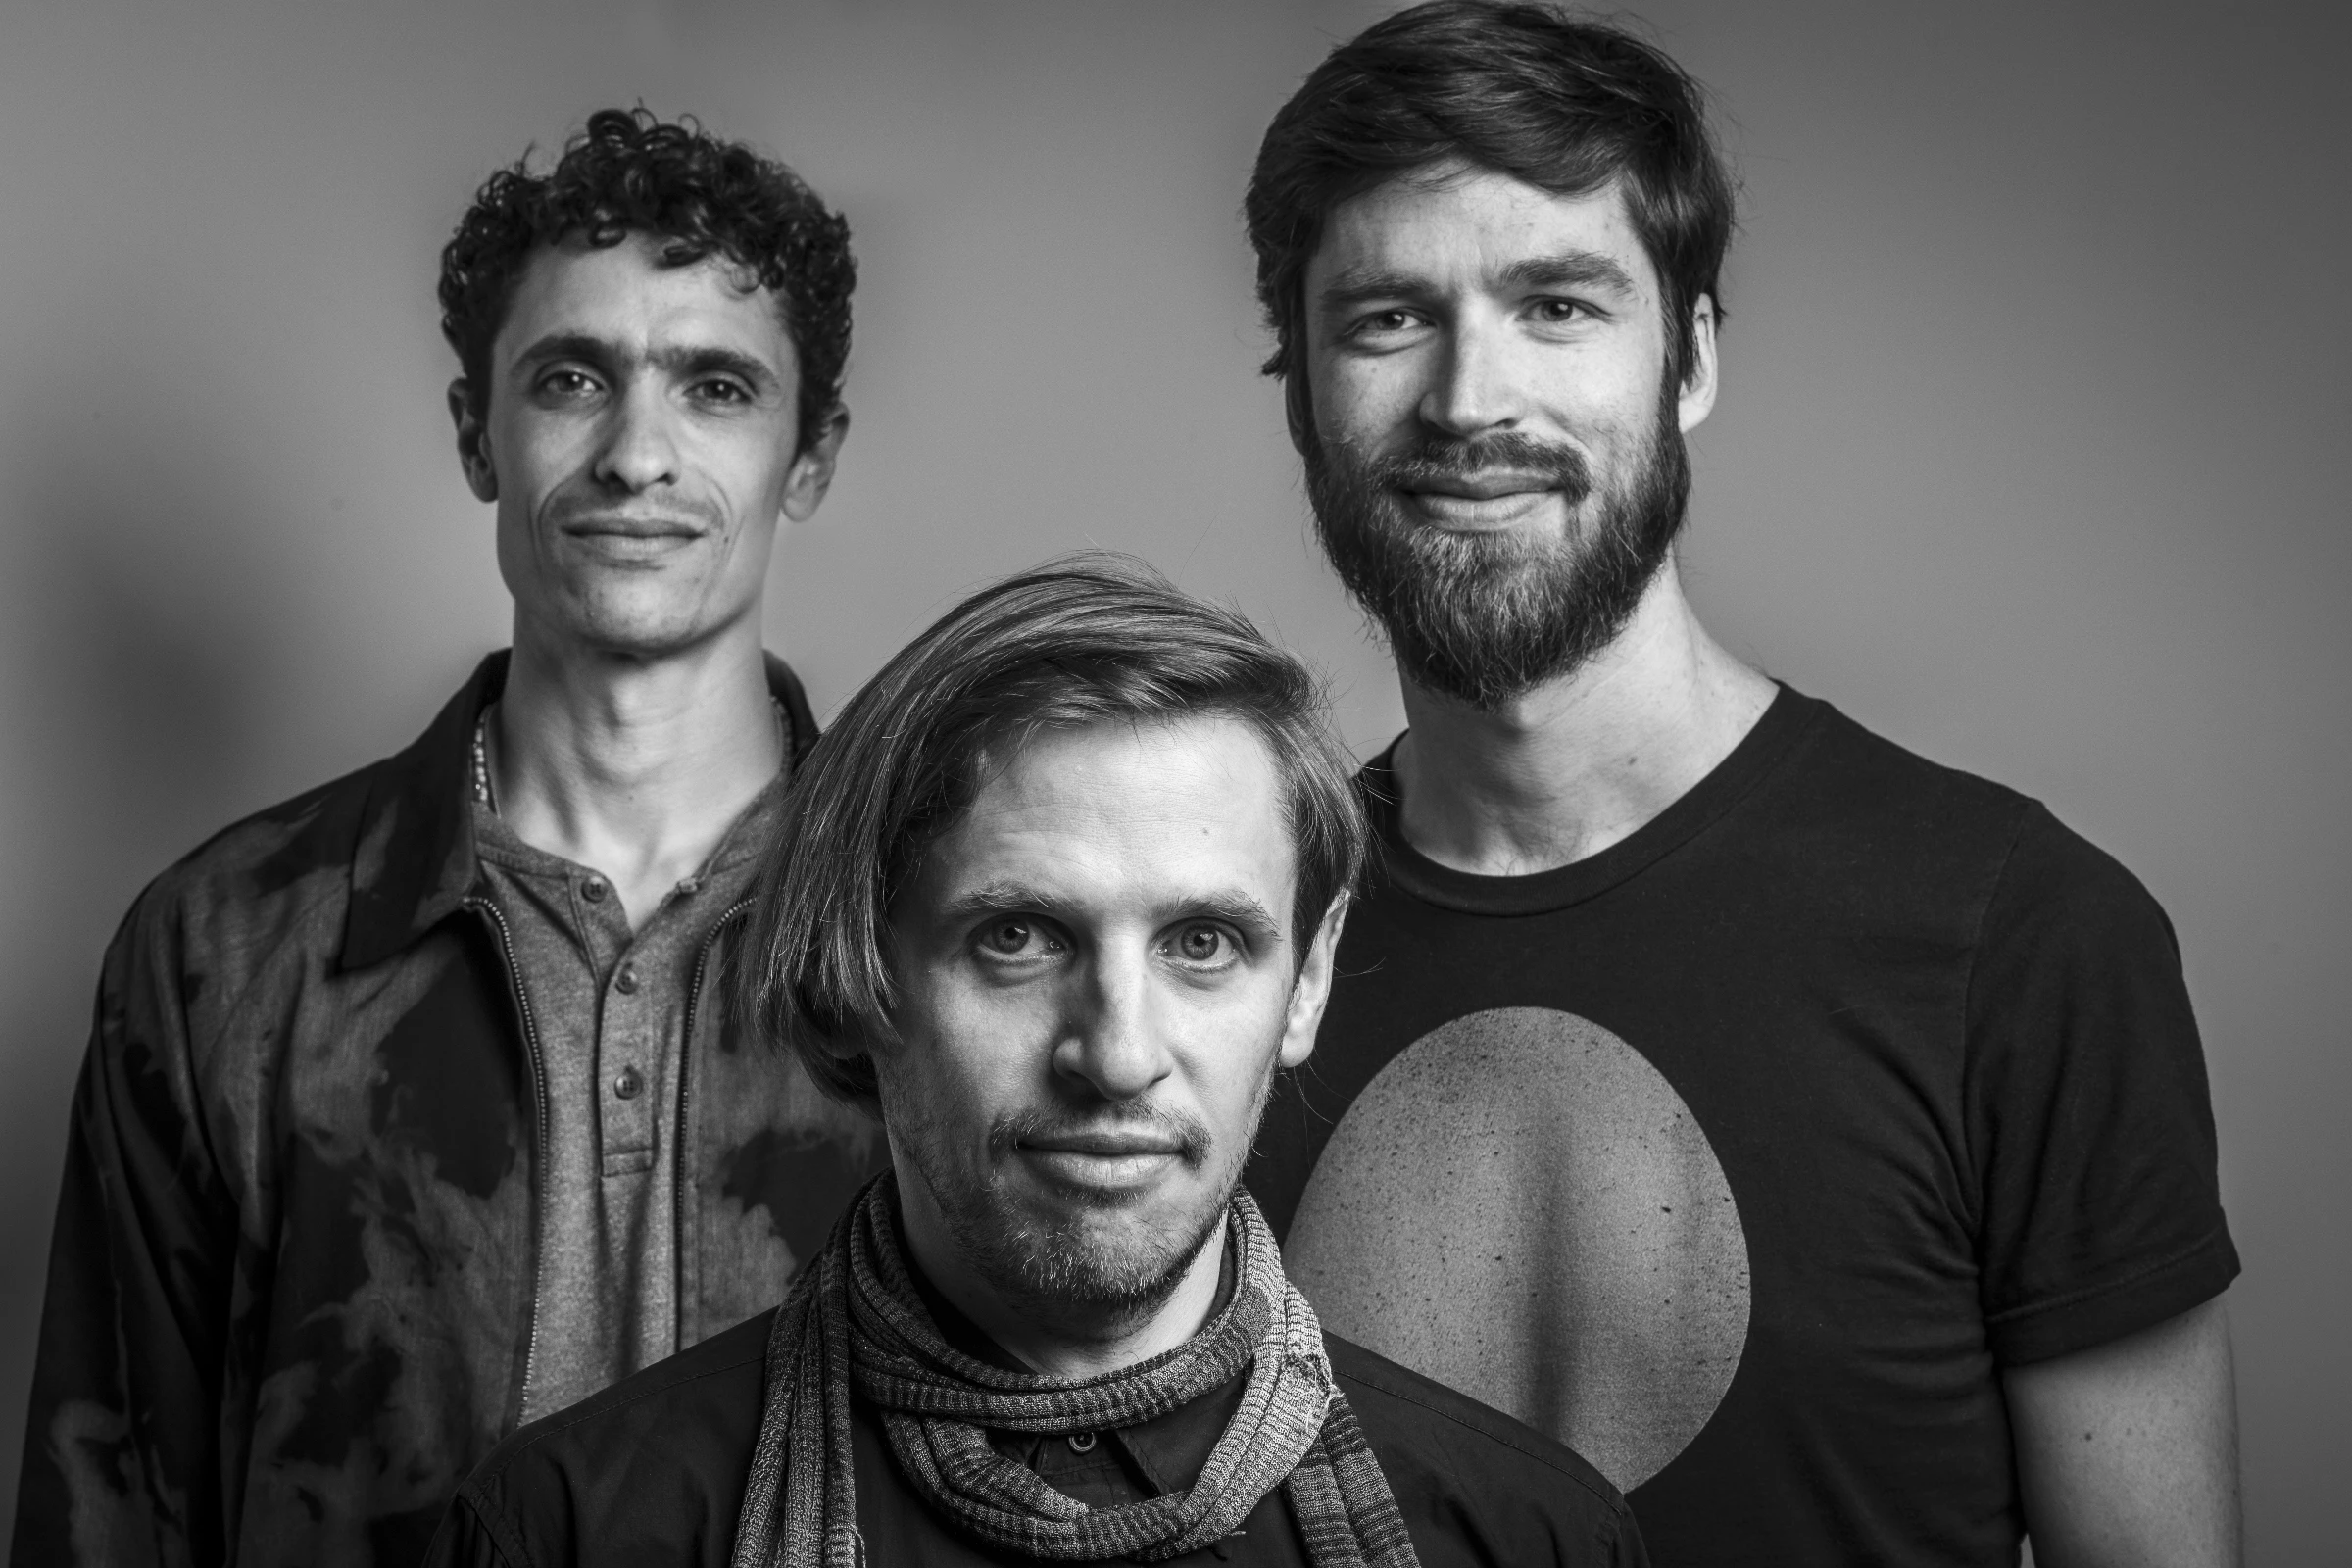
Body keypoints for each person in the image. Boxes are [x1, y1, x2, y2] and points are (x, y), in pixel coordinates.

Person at [1236, 6, 2241, 1567]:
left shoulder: (2025, 943)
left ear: (1691, 358)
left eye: (1556, 304)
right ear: (1301, 390)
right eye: (1385, 319)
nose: (1470, 400)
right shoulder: (1215, 958)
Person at [12, 109, 886, 1566]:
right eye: (572, 379)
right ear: (478, 432)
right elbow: (109, 1514)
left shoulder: (933, 928)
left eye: (717, 388)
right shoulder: (224, 946)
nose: (637, 455)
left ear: (811, 455)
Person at [419, 558, 1647, 1568]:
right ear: (855, 977)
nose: (1117, 1054)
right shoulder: (568, 1534)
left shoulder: (1529, 1539)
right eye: (1019, 938)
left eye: (1204, 944)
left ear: (1308, 980)